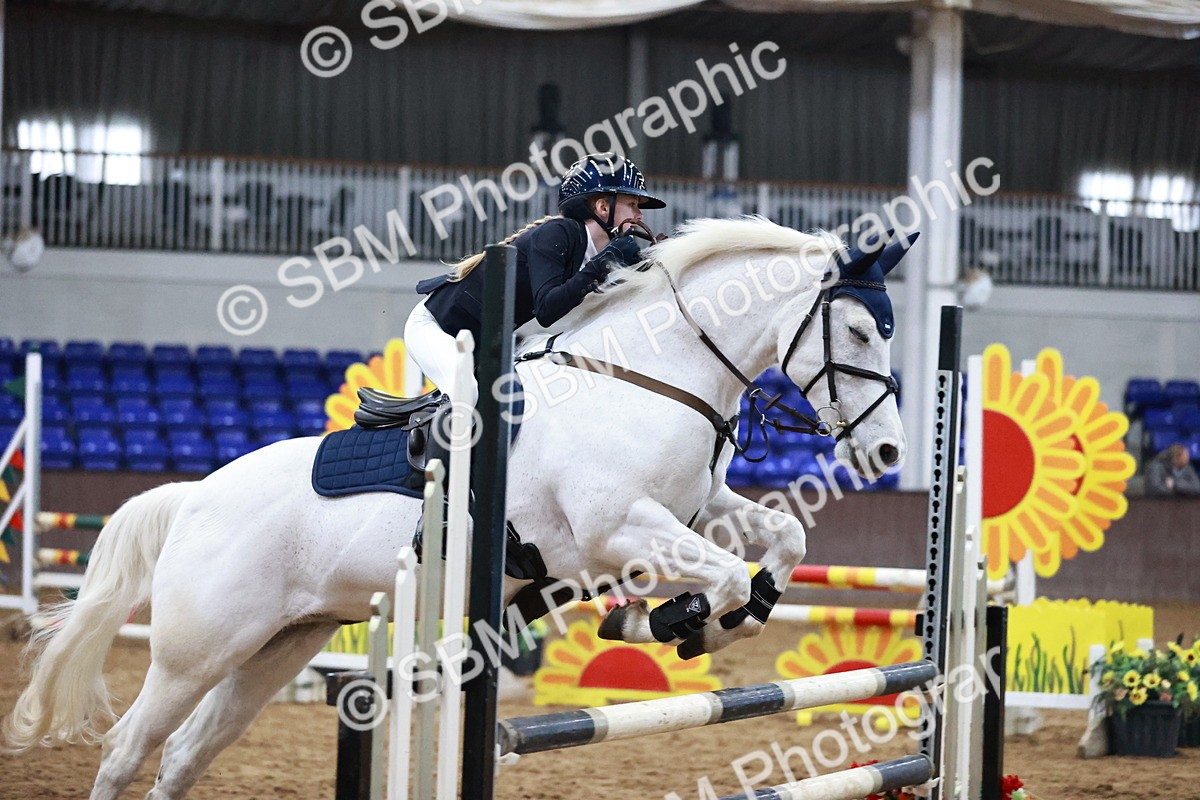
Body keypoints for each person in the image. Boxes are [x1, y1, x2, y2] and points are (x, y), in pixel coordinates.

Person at [404, 152, 665, 407]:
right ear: (602, 206)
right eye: (632, 204)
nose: (640, 215)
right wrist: (604, 263)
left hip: (480, 345)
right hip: (434, 329)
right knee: (466, 395)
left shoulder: (591, 252)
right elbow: (547, 309)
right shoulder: (558, 233)